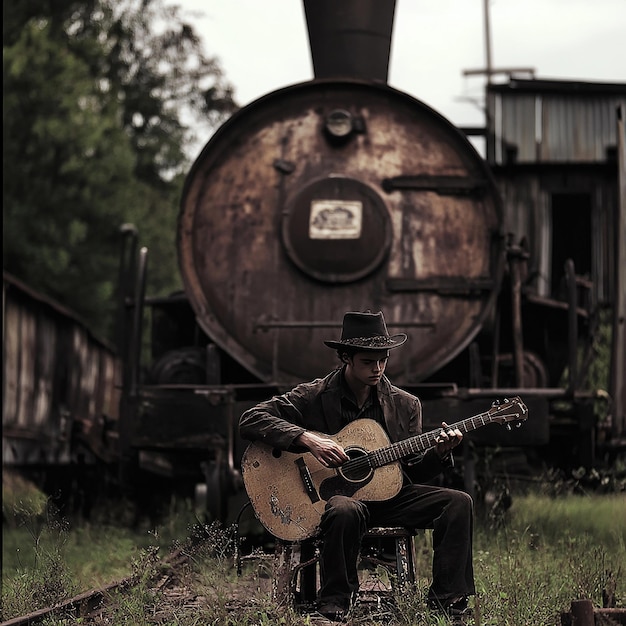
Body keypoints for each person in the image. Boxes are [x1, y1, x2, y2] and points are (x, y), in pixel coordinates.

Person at [239, 311, 475, 622]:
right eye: (368, 361)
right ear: (345, 358)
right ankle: (335, 603)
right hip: (336, 502)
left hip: (389, 498)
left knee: (458, 502)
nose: (377, 368)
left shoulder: (405, 405)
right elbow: (251, 419)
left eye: (383, 359)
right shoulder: (314, 394)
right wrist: (307, 439)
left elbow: (413, 472)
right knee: (343, 509)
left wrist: (440, 453)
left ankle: (447, 602)